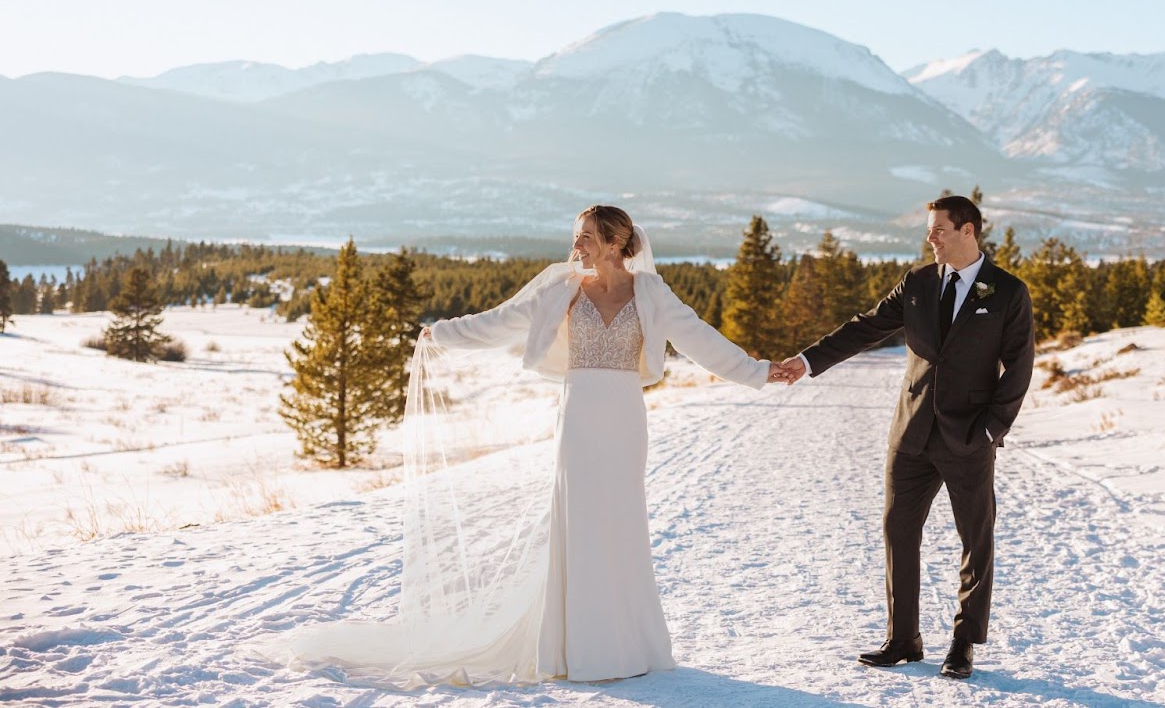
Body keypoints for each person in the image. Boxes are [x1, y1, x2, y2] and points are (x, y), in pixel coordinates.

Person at [273, 205, 784, 686]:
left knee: (622, 522)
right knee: (579, 523)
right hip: (579, 415)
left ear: (615, 242)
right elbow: (500, 320)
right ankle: (576, 649)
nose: (576, 244)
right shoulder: (561, 288)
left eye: (585, 235)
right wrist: (441, 334)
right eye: (577, 235)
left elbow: (702, 340)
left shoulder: (651, 293)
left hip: (626, 417)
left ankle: (631, 646)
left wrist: (759, 372)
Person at [774, 194, 1035, 680]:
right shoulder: (916, 284)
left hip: (969, 438)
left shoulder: (1006, 292)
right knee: (898, 532)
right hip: (910, 434)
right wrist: (806, 362)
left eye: (939, 230)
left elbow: (1019, 368)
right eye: (929, 230)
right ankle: (903, 638)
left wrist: (990, 429)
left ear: (968, 231)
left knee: (975, 540)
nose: (929, 238)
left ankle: (963, 643)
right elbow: (865, 328)